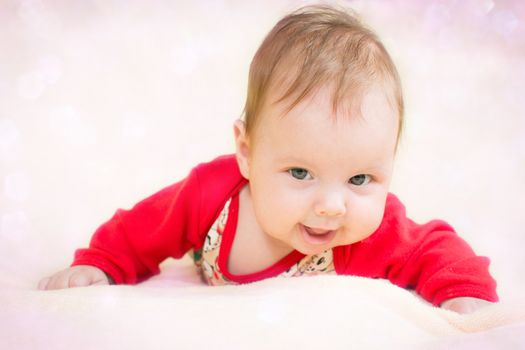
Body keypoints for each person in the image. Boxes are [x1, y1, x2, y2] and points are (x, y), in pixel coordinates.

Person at [37, 5, 498, 314]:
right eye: (300, 172)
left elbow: (434, 248)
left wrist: (466, 297)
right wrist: (99, 263)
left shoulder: (371, 231)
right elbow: (141, 230)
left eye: (361, 177)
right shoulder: (210, 196)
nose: (333, 205)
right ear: (247, 152)